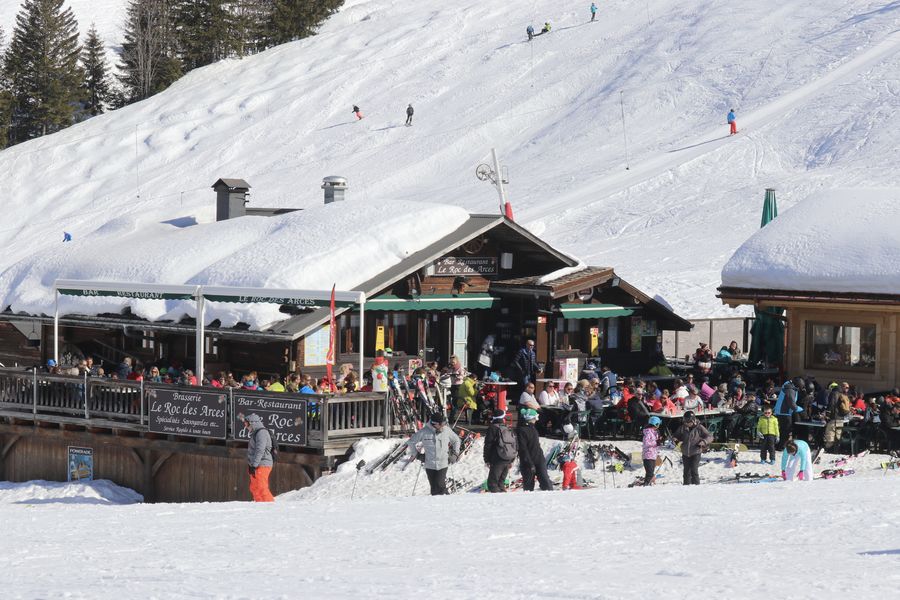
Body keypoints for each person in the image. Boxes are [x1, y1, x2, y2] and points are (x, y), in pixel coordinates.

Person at [406, 413, 461, 495]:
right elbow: (411, 442)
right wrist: (416, 455)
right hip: (429, 465)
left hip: (443, 463)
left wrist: (455, 454)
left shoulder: (446, 430)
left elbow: (456, 440)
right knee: (434, 488)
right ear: (435, 424)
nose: (443, 425)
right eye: (441, 424)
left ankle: (444, 501)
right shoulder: (424, 431)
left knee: (439, 484)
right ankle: (439, 504)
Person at [516, 408, 553, 491]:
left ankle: (550, 498)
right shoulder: (521, 430)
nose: (536, 420)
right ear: (530, 418)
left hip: (539, 459)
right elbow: (523, 449)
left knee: (546, 482)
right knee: (529, 486)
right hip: (528, 461)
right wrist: (529, 463)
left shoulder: (533, 428)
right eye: (535, 418)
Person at [673, 411, 712, 485]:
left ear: (693, 421)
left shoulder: (699, 428)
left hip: (696, 452)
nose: (687, 424)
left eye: (688, 422)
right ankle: (686, 486)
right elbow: (676, 435)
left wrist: (703, 442)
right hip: (685, 452)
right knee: (686, 472)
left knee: (694, 470)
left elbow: (709, 436)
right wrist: (675, 439)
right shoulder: (682, 428)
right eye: (685, 422)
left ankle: (696, 486)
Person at [483, 409, 517, 492]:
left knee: (492, 484)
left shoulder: (492, 428)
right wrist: (512, 459)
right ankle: (503, 501)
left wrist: (486, 459)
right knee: (501, 484)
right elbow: (514, 444)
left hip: (497, 458)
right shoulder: (507, 428)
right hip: (508, 457)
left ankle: (498, 503)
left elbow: (488, 445)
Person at [244, 413, 274, 502]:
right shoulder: (255, 433)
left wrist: (254, 465)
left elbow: (260, 450)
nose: (246, 427)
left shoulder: (262, 432)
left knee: (262, 487)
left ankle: (269, 507)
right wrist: (251, 465)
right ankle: (259, 507)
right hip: (255, 464)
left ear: (252, 423)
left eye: (246, 424)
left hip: (263, 464)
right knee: (254, 488)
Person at [824, 382, 851, 451]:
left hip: (834, 418)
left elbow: (831, 404)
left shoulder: (834, 393)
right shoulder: (843, 394)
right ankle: (837, 450)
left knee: (830, 435)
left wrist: (827, 414)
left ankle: (828, 450)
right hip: (841, 418)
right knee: (838, 435)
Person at [642, 416, 661, 485]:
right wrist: (656, 443)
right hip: (648, 455)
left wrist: (659, 442)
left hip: (653, 455)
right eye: (658, 424)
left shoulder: (654, 432)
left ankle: (649, 485)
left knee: (651, 473)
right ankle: (646, 485)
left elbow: (655, 444)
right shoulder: (648, 432)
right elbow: (646, 442)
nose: (659, 426)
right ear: (655, 424)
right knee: (649, 473)